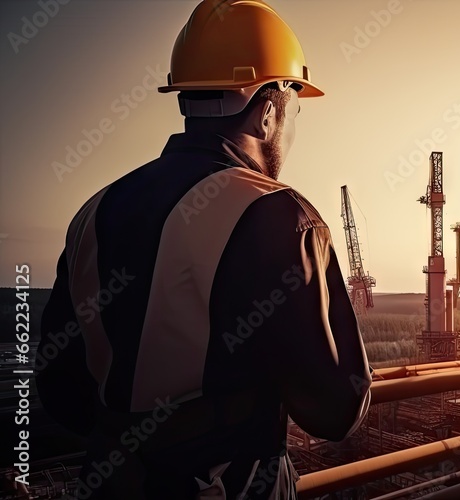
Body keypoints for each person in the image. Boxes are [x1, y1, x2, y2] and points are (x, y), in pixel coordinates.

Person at [35, 1, 372, 498]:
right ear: (269, 111)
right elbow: (335, 409)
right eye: (295, 111)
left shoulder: (94, 212)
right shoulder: (280, 217)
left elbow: (62, 394)